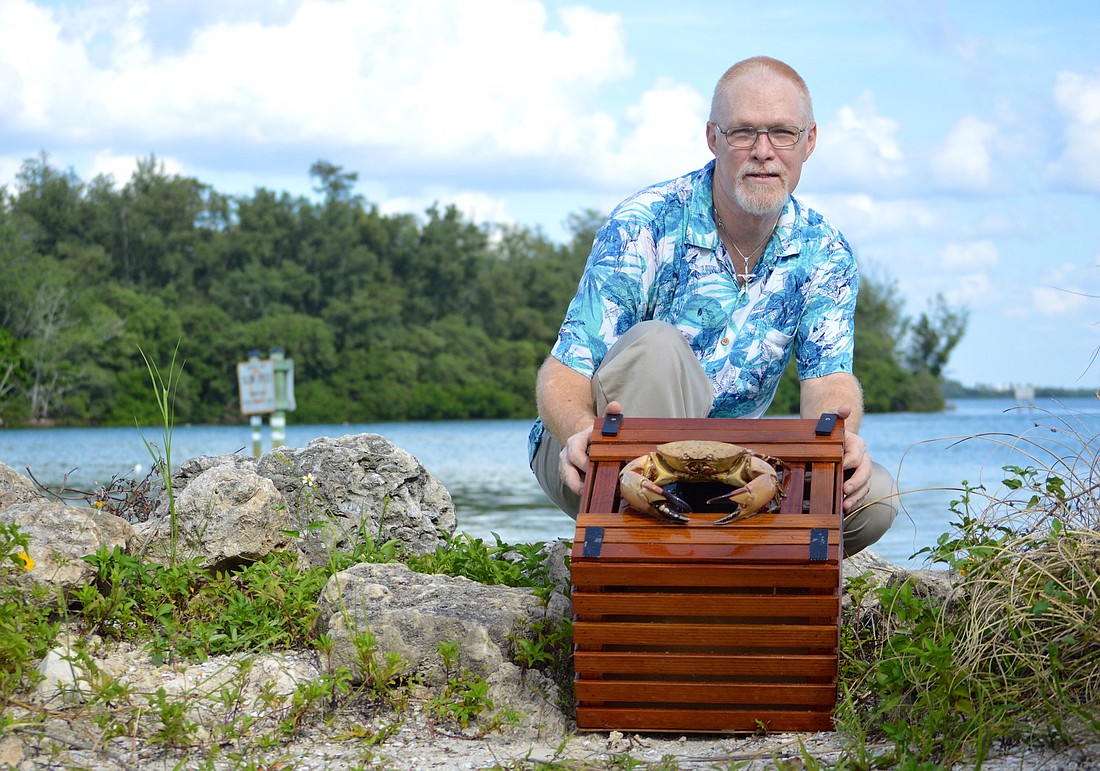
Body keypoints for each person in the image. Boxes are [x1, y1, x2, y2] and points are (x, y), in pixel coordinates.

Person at [527, 56, 897, 556]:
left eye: (782, 133)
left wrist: (839, 444)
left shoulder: (825, 249)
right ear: (713, 139)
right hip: (602, 456)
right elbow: (562, 375)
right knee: (658, 346)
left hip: (730, 469)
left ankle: (712, 557)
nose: (763, 152)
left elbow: (829, 380)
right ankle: (667, 574)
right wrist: (579, 433)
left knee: (874, 497)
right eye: (744, 132)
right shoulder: (644, 223)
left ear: (809, 142)